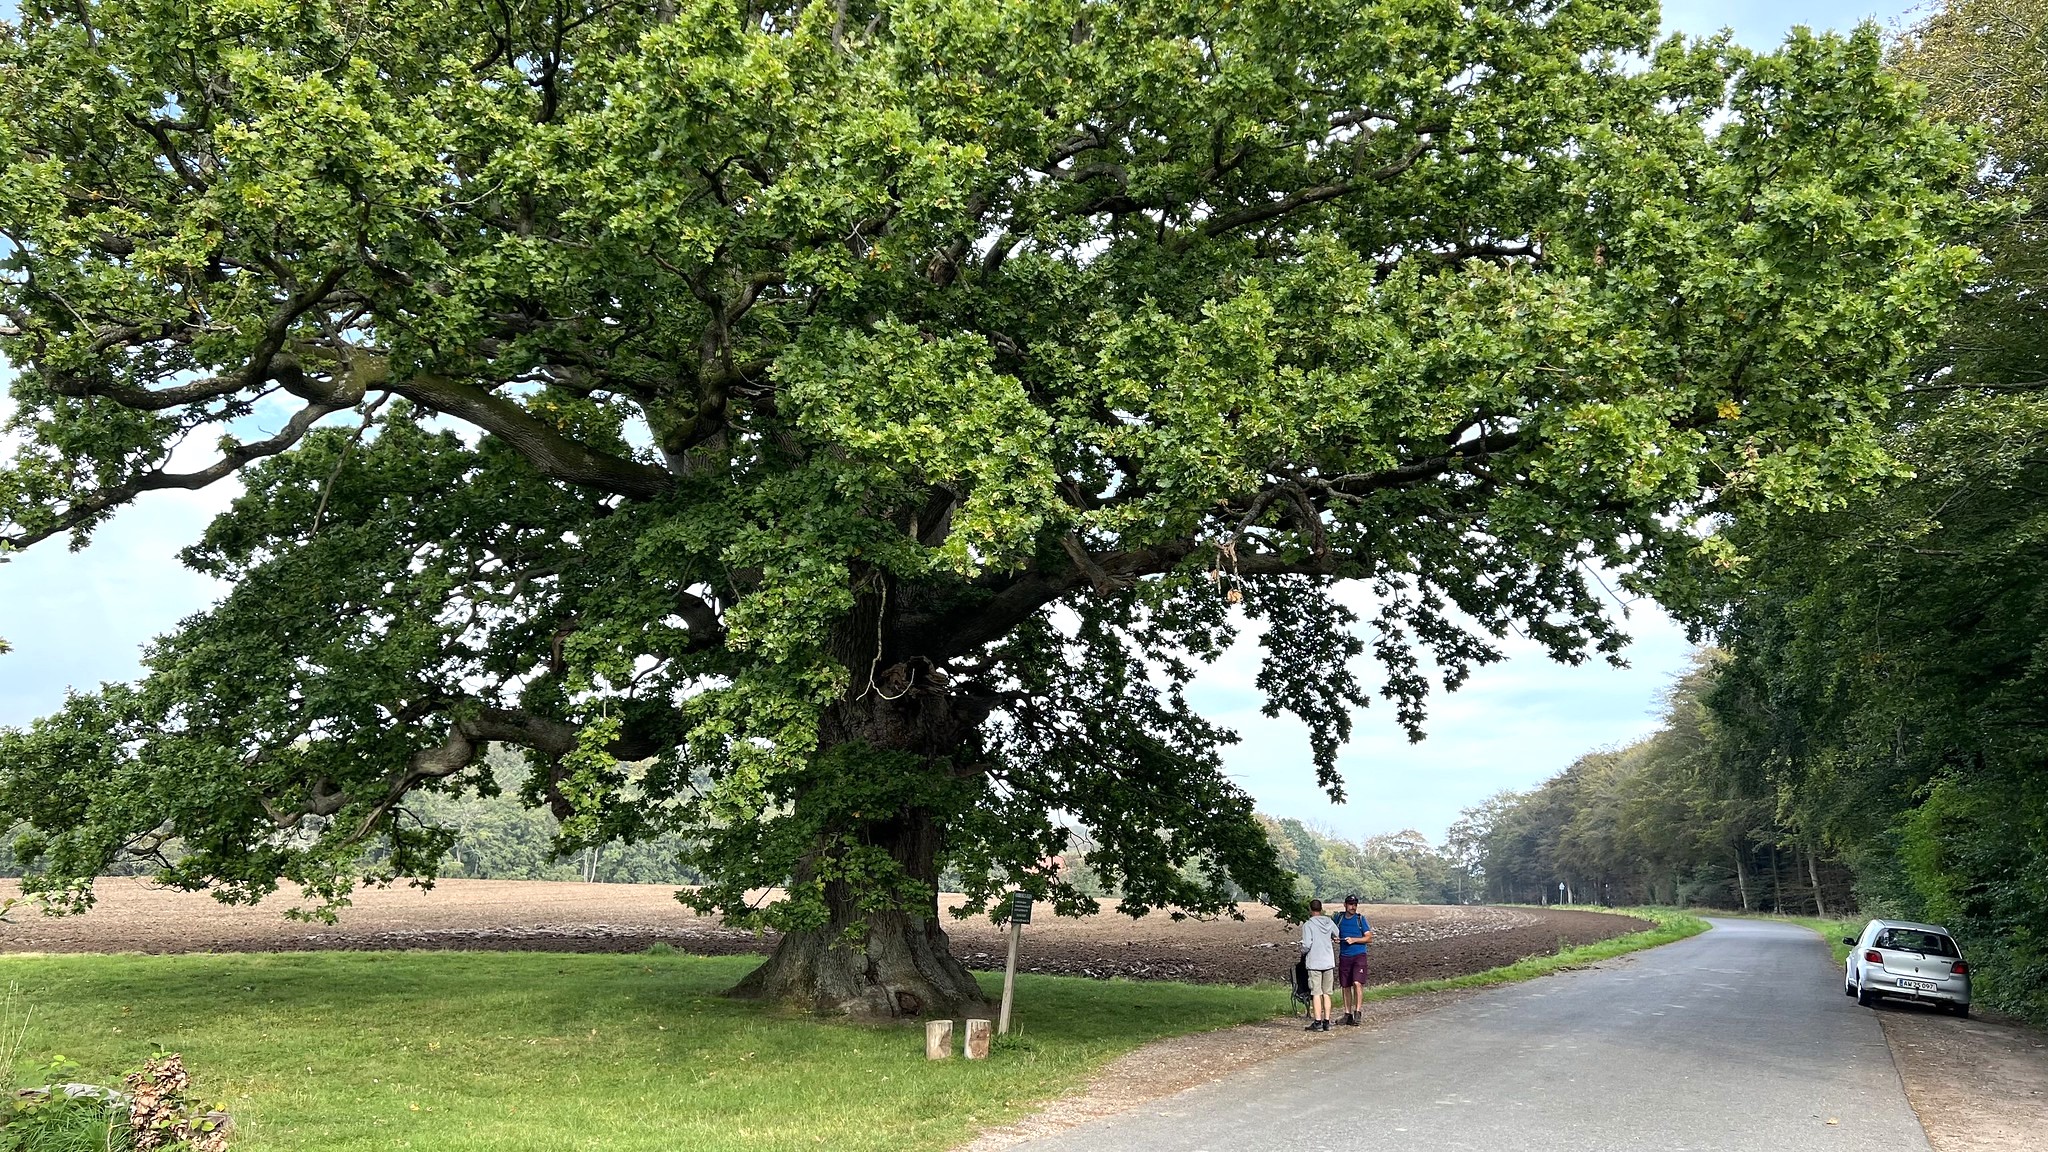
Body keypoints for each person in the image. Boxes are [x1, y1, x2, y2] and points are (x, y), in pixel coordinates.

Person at [1299, 898, 1339, 1032]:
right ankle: (1327, 1021)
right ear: (1321, 909)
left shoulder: (1308, 925)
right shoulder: (1328, 921)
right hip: (1328, 961)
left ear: (1310, 910)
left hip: (1315, 962)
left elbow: (1307, 945)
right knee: (1327, 993)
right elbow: (1337, 934)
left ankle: (1317, 1022)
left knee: (1316, 992)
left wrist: (1302, 951)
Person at [1334, 894, 1373, 1026]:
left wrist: (1354, 940)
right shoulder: (1338, 918)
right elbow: (1333, 932)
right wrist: (1334, 938)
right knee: (1345, 986)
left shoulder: (1360, 919)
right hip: (1345, 956)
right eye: (1351, 904)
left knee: (1357, 983)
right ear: (1345, 905)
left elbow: (1369, 938)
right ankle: (1347, 1013)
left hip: (1359, 955)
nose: (1353, 907)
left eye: (1355, 904)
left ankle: (1357, 1012)